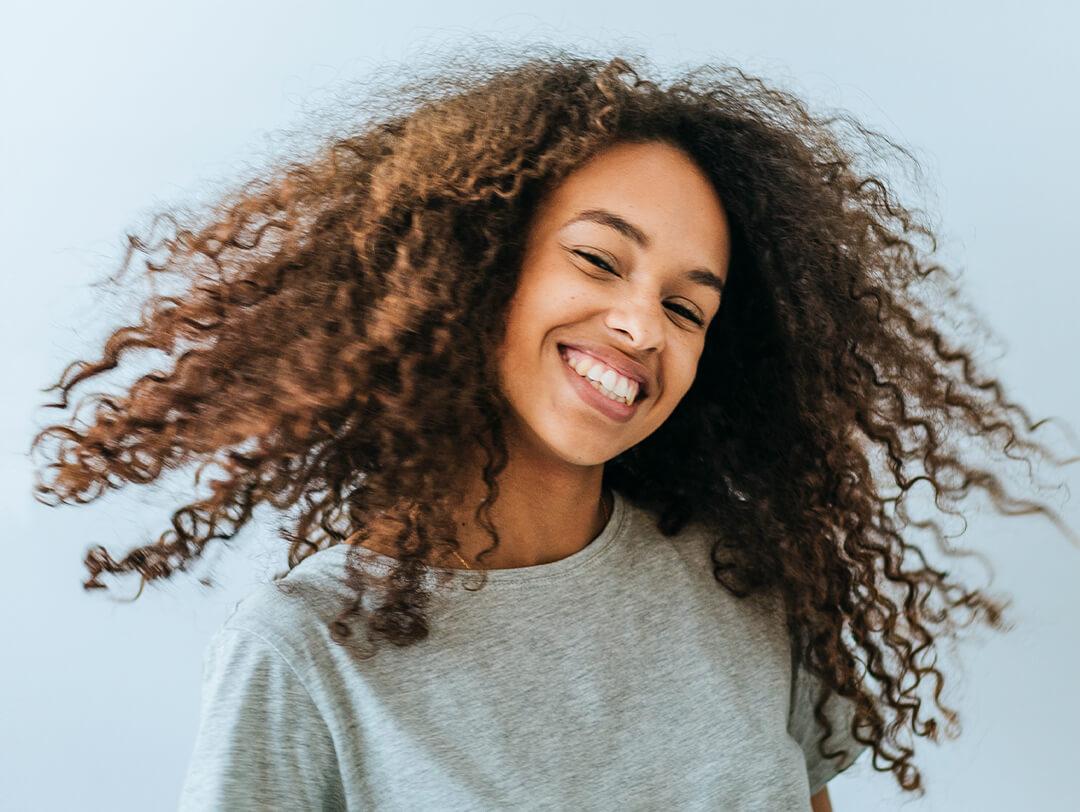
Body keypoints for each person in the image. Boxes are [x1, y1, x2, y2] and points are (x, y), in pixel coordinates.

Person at [30, 48, 1078, 810]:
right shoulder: (307, 653)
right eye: (598, 259)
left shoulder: (746, 583)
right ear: (477, 267)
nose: (638, 325)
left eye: (685, 305)